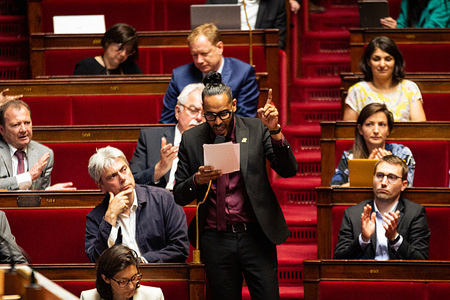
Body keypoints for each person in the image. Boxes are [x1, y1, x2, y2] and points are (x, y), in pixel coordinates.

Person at [173, 72, 297, 299]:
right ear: (203, 110)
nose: (218, 121)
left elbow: (288, 170)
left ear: (234, 105)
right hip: (215, 238)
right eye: (211, 115)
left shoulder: (255, 129)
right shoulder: (191, 139)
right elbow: (179, 194)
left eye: (223, 114)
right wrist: (197, 180)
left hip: (256, 235)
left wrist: (275, 131)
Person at [85, 146, 189, 263]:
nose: (123, 178)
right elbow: (96, 261)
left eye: (124, 169)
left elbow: (180, 248)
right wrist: (109, 218)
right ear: (101, 187)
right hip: (120, 280)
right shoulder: (95, 218)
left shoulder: (164, 199)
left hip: (160, 276)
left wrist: (142, 261)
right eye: (113, 176)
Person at [159, 23, 259, 124]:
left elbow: (244, 120)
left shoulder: (243, 73)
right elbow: (167, 121)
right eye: (194, 55)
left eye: (204, 54)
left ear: (220, 47)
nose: (199, 60)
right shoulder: (180, 76)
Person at [334, 155, 430, 260]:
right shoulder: (353, 214)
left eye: (391, 177)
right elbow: (339, 259)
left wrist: (395, 239)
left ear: (403, 185)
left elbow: (420, 261)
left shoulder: (415, 213)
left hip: (399, 275)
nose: (383, 183)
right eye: (379, 175)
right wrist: (363, 239)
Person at [130, 83, 204, 189]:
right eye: (193, 110)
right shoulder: (150, 138)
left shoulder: (213, 141)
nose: (199, 117)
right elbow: (132, 180)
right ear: (178, 112)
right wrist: (159, 170)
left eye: (205, 113)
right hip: (158, 202)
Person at [342, 36, 427, 122]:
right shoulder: (357, 91)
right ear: (368, 62)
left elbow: (419, 130)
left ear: (395, 61)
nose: (382, 64)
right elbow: (348, 132)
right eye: (376, 59)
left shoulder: (410, 88)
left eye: (388, 59)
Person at [331, 103, 415, 187]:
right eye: (369, 124)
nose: (376, 130)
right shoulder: (349, 157)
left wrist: (391, 165)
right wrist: (368, 171)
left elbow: (407, 187)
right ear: (360, 129)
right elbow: (335, 190)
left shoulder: (402, 153)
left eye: (381, 124)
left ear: (388, 130)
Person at [0, 100, 76, 191]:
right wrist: (29, 176)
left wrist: (48, 193)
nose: (24, 129)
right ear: (2, 130)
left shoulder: (43, 153)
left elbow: (40, 194)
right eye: (16, 125)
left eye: (27, 123)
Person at [80, 245, 164, 300]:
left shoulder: (154, 296)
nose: (131, 287)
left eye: (134, 278)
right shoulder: (88, 297)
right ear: (106, 278)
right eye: (123, 281)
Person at [205, 0, 288, 49]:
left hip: (258, 54)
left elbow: (280, 41)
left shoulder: (276, 3)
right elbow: (204, 31)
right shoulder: (217, 1)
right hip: (223, 51)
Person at [74, 23, 143, 75]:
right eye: (120, 48)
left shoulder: (130, 67)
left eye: (128, 51)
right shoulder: (86, 66)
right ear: (107, 43)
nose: (123, 54)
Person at [380, 0, 450, 28]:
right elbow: (401, 23)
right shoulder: (407, 2)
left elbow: (431, 31)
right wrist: (393, 25)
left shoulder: (443, 3)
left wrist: (399, 29)